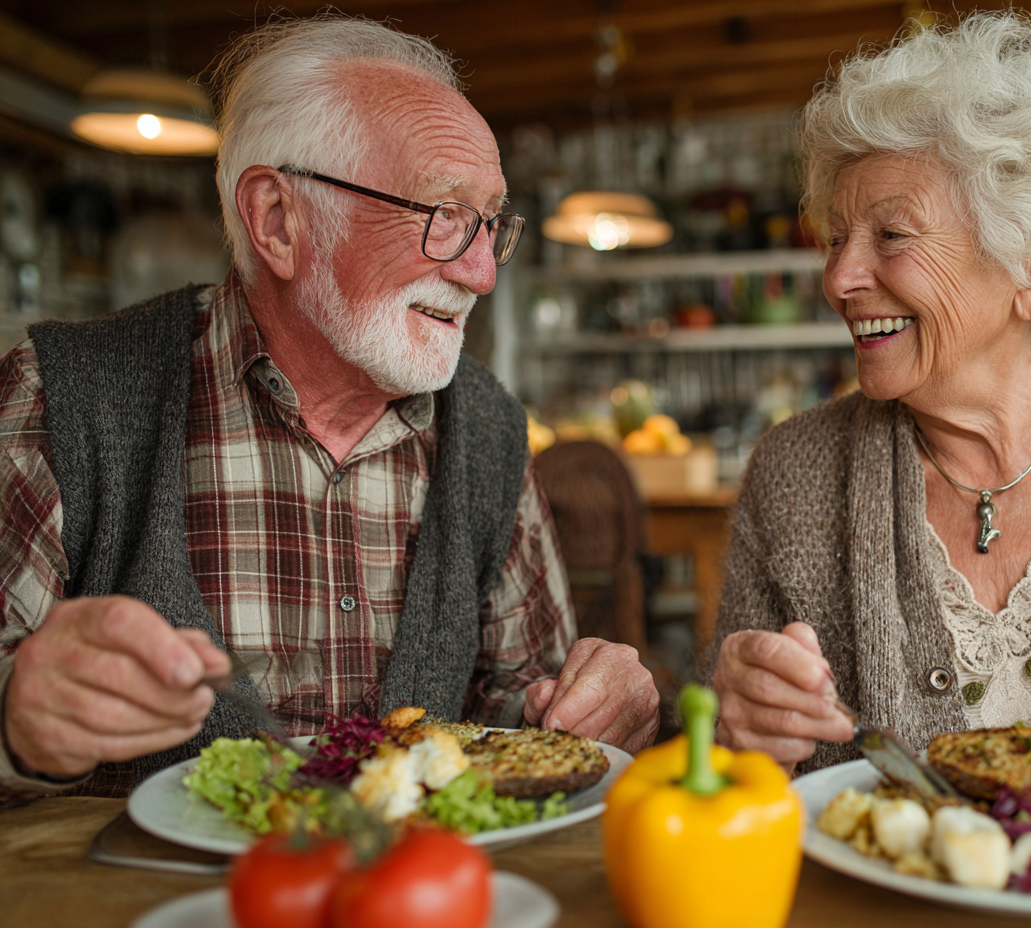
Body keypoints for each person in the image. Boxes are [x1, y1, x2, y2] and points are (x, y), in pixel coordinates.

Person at [0, 15, 658, 797]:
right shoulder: (60, 394)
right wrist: (16, 719)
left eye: (489, 223)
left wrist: (592, 712)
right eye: (442, 215)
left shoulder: (484, 427)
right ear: (279, 221)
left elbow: (522, 720)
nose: (483, 272)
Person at [707, 12, 1031, 790]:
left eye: (891, 236)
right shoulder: (795, 472)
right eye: (836, 237)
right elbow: (734, 781)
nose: (840, 279)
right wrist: (740, 730)